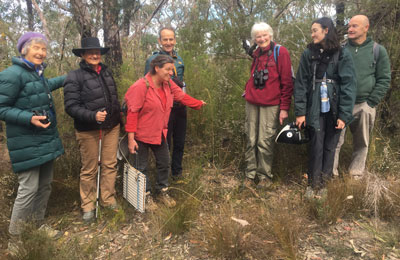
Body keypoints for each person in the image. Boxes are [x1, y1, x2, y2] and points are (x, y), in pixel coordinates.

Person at [0, 32, 65, 236]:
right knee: (28, 189)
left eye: (44, 49)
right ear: (23, 50)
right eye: (36, 48)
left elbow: (42, 88)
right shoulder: (12, 74)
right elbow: (1, 107)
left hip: (44, 139)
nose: (41, 52)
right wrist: (29, 118)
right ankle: (16, 239)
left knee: (44, 185)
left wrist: (68, 78)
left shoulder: (36, 73)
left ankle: (38, 226)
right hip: (25, 142)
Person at [125, 55, 205, 208]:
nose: (171, 73)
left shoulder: (168, 84)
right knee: (141, 168)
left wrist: (198, 104)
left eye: (172, 69)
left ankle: (162, 191)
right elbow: (132, 113)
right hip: (141, 135)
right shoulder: (141, 86)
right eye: (168, 69)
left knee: (164, 163)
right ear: (157, 68)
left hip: (159, 132)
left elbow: (181, 96)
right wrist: (131, 139)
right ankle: (145, 195)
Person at [294, 17, 356, 195]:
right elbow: (301, 84)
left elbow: (348, 85)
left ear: (326, 30)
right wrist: (300, 112)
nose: (312, 34)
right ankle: (312, 185)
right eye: (312, 31)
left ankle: (325, 187)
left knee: (330, 145)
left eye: (315, 30)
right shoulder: (308, 54)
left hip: (334, 107)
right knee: (316, 145)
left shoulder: (342, 54)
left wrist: (344, 115)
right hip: (314, 107)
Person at [63, 37, 121, 221]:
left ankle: (107, 199)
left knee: (110, 165)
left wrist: (120, 114)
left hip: (111, 127)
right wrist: (93, 116)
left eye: (97, 52)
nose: (95, 55)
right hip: (88, 130)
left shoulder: (106, 72)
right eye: (90, 52)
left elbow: (113, 98)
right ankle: (88, 205)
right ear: (82, 55)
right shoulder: (74, 76)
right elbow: (71, 107)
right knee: (89, 169)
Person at [333, 15, 391, 179]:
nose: (350, 29)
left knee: (362, 143)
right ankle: (330, 176)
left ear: (366, 28)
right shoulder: (341, 49)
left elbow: (384, 78)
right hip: (341, 105)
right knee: (335, 142)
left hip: (364, 104)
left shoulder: (377, 50)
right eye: (349, 26)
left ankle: (355, 176)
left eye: (355, 26)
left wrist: (370, 102)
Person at [243, 22, 294, 188]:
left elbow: (287, 82)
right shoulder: (256, 53)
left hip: (271, 104)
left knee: (264, 140)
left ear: (271, 35)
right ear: (254, 39)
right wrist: (247, 90)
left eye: (264, 35)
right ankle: (249, 175)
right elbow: (253, 75)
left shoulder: (281, 52)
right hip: (252, 102)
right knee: (250, 139)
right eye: (258, 36)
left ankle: (264, 176)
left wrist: (284, 108)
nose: (262, 38)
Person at [144, 26, 187, 180]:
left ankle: (177, 172)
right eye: (165, 39)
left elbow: (181, 83)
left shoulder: (179, 59)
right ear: (159, 41)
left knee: (180, 141)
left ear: (174, 40)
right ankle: (164, 174)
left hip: (180, 106)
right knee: (164, 142)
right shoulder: (153, 59)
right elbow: (147, 84)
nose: (168, 42)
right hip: (164, 108)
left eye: (171, 39)